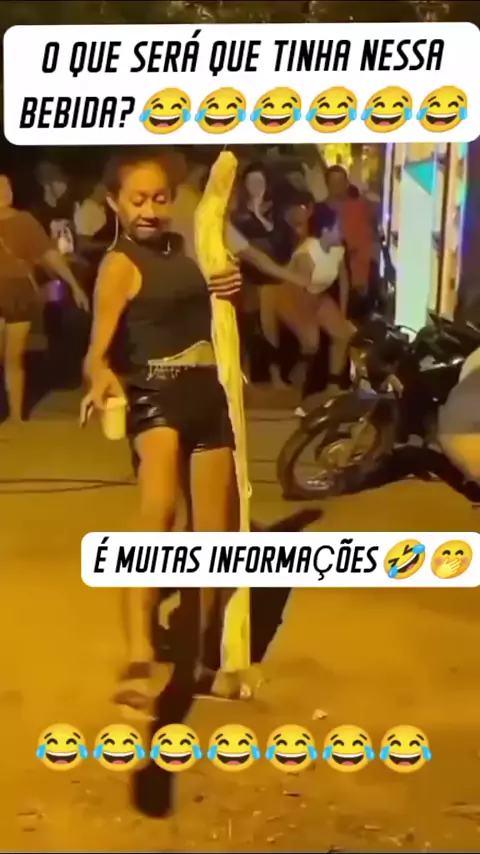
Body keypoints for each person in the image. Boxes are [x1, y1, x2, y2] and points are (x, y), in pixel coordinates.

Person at [82, 154, 242, 715]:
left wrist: (229, 284)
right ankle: (139, 659)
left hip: (208, 396)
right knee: (159, 518)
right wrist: (101, 378)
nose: (149, 210)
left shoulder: (186, 251)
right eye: (137, 200)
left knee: (217, 540)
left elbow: (215, 310)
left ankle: (196, 662)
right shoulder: (118, 264)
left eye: (159, 198)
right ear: (114, 203)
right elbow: (96, 352)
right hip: (154, 396)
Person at [0, 174, 88, 423]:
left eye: (7, 186)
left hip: (18, 295)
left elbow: (49, 254)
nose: (5, 191)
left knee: (14, 358)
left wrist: (74, 285)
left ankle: (16, 417)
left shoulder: (25, 221)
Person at [267, 190, 355, 402]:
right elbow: (300, 290)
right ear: (325, 231)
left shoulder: (339, 249)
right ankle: (297, 383)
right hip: (290, 295)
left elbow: (343, 281)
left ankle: (333, 386)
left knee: (343, 333)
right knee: (311, 341)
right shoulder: (308, 252)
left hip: (316, 294)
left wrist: (341, 314)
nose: (341, 231)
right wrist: (311, 321)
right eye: (337, 228)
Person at [232, 163, 286, 386]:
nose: (255, 186)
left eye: (259, 182)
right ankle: (244, 376)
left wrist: (259, 216)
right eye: (251, 182)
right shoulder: (237, 212)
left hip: (270, 278)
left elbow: (279, 241)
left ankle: (275, 375)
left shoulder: (274, 210)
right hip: (246, 277)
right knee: (246, 328)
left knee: (270, 327)